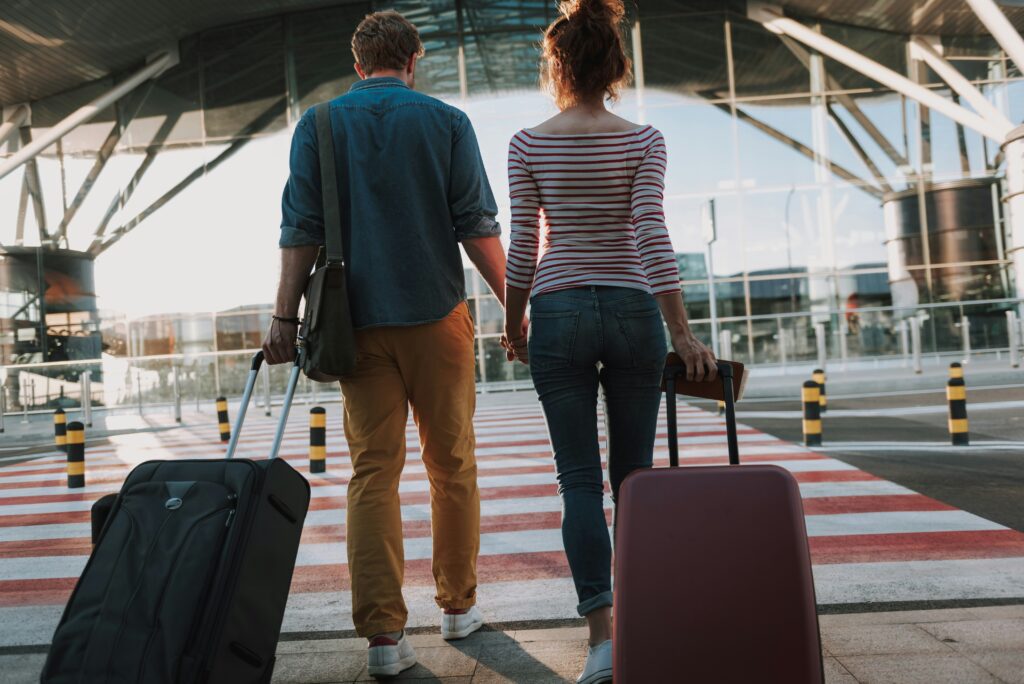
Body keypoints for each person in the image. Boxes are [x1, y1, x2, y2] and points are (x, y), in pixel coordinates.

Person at [261, 10, 507, 678]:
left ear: (359, 64)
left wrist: (285, 318)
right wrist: (519, 305)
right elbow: (476, 225)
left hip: (355, 325)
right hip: (438, 320)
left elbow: (300, 228)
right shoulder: (447, 122)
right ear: (413, 60)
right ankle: (458, 608)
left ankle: (383, 639)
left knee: (374, 474)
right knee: (451, 466)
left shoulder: (319, 125)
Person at [501, 1, 716, 682]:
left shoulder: (528, 143)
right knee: (635, 480)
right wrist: (679, 330)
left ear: (556, 65)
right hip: (630, 311)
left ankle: (602, 642)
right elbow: (650, 233)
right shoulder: (644, 140)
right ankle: (644, 625)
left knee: (579, 482)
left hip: (557, 313)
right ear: (615, 65)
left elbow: (522, 249)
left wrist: (513, 324)